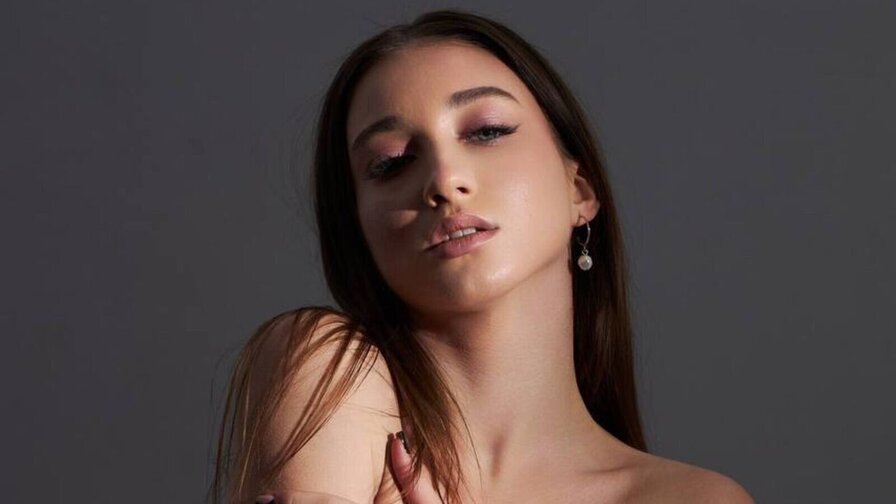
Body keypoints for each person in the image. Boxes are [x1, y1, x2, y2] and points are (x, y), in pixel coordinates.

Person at [211, 9, 755, 504]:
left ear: (579, 189)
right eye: (391, 163)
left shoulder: (696, 498)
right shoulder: (325, 369)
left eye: (487, 131)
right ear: (356, 229)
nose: (444, 179)